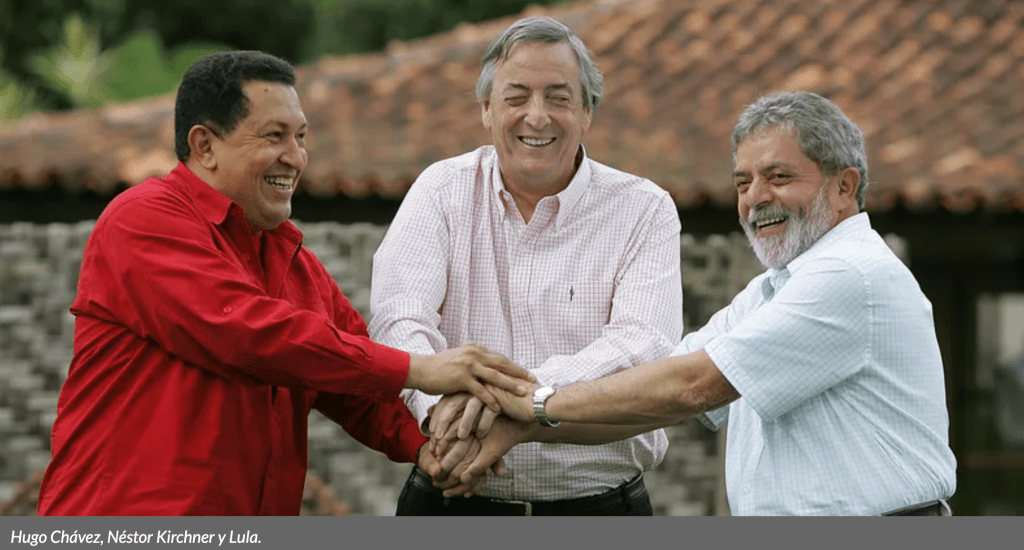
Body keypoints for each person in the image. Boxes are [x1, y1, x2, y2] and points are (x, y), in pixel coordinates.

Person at [37, 50, 533, 516]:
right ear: (204, 146)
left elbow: (356, 389)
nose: (295, 157)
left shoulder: (293, 261)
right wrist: (421, 368)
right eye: (274, 136)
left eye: (301, 138)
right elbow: (249, 334)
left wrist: (432, 445)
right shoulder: (142, 220)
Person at [443, 91, 958, 516]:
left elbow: (691, 387)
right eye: (743, 182)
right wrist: (522, 425)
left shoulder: (849, 274)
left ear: (844, 187)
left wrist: (533, 403)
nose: (755, 198)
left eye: (779, 177)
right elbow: (654, 392)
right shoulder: (773, 288)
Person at [368, 16, 683, 515]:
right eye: (516, 97)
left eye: (558, 98)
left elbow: (642, 348)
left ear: (587, 112)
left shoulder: (644, 210)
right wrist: (441, 411)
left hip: (599, 511)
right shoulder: (440, 191)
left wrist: (503, 400)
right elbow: (398, 319)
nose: (537, 117)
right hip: (451, 504)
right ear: (486, 110)